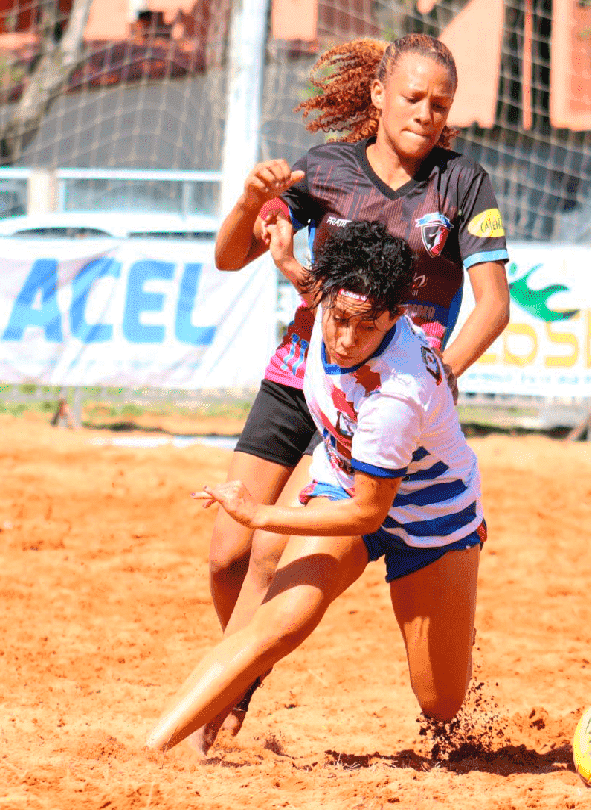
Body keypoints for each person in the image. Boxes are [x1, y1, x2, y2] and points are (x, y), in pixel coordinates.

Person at [198, 34, 510, 753]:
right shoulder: (325, 170)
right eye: (412, 98)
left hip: (384, 398)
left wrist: (437, 378)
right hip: (303, 372)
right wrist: (251, 200)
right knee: (225, 553)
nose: (427, 114)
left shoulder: (463, 184)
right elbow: (228, 257)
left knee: (275, 546)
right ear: (377, 95)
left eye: (440, 104)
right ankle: (241, 677)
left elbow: (492, 308)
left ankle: (227, 696)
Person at [147, 221, 487, 752]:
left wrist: (260, 516)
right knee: (281, 621)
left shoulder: (396, 394)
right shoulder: (335, 304)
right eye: (339, 319)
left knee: (440, 702)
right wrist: (285, 259)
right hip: (345, 480)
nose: (348, 339)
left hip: (430, 516)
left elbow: (365, 516)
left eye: (368, 327)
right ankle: (160, 747)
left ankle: (450, 606)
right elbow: (323, 288)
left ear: (396, 317)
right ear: (322, 299)